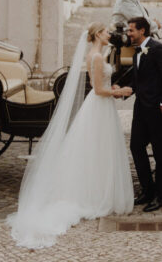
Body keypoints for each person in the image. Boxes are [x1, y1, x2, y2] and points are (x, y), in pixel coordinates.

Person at [7, 22, 134, 249]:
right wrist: (119, 91)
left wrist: (111, 85)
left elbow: (102, 83)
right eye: (106, 32)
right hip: (99, 105)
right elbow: (98, 90)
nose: (109, 35)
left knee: (100, 150)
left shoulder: (98, 54)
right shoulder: (95, 57)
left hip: (102, 108)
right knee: (97, 149)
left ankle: (99, 189)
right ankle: (95, 195)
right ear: (97, 35)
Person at [128, 16, 162, 212]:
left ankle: (160, 196)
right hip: (140, 108)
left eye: (131, 30)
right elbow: (138, 80)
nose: (128, 34)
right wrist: (122, 89)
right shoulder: (136, 52)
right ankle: (147, 190)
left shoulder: (158, 49)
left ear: (142, 31)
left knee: (159, 152)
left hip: (156, 108)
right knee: (136, 146)